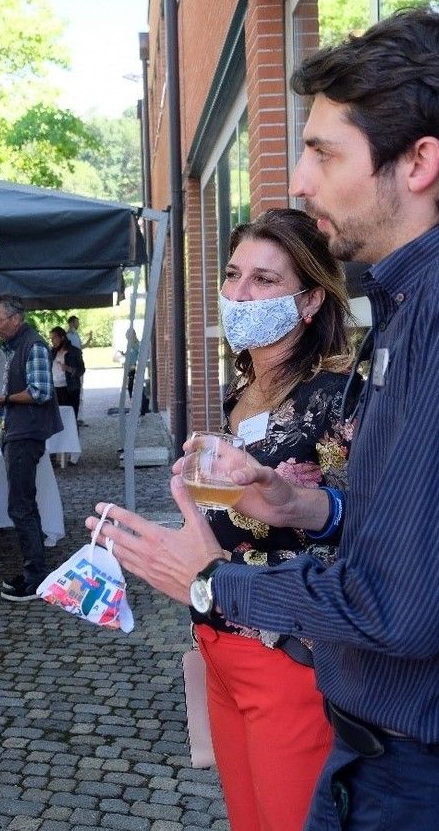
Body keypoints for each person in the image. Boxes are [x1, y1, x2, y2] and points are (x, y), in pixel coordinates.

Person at [91, 7, 439, 831]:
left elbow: (408, 607)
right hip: (401, 758)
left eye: (325, 151)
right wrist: (310, 508)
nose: (302, 181)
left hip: (431, 774)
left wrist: (213, 581)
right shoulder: (428, 295)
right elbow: (429, 534)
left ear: (420, 161)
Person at [191, 209, 353, 831]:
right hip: (218, 642)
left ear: (310, 300)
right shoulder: (245, 392)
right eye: (233, 275)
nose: (237, 293)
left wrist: (296, 502)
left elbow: (368, 526)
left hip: (289, 653)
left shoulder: (338, 394)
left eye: (264, 280)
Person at [0, 294, 63, 602]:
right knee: (22, 505)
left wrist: (3, 399)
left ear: (16, 319)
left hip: (25, 435)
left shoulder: (34, 345)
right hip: (18, 432)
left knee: (21, 507)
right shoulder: (19, 346)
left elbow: (41, 392)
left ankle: (36, 577)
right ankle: (33, 571)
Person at [48, 326, 84, 423]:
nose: (52, 341)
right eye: (50, 338)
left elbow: (81, 370)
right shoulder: (51, 352)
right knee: (57, 418)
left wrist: (68, 368)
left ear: (62, 337)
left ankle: (72, 437)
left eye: (54, 337)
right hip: (55, 389)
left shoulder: (75, 351)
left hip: (70, 389)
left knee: (70, 417)